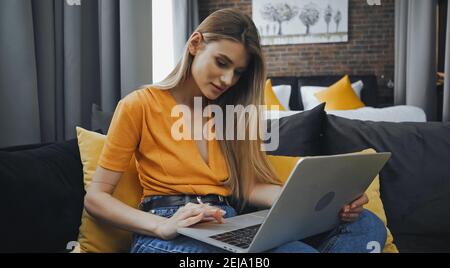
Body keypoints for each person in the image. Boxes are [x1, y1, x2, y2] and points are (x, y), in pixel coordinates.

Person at [84, 8, 386, 253]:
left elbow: (248, 187)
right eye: (221, 62)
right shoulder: (139, 104)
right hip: (168, 227)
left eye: (238, 72)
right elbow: (96, 198)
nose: (228, 79)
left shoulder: (233, 113)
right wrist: (160, 226)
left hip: (228, 225)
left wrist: (321, 201)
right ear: (195, 44)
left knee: (367, 225)